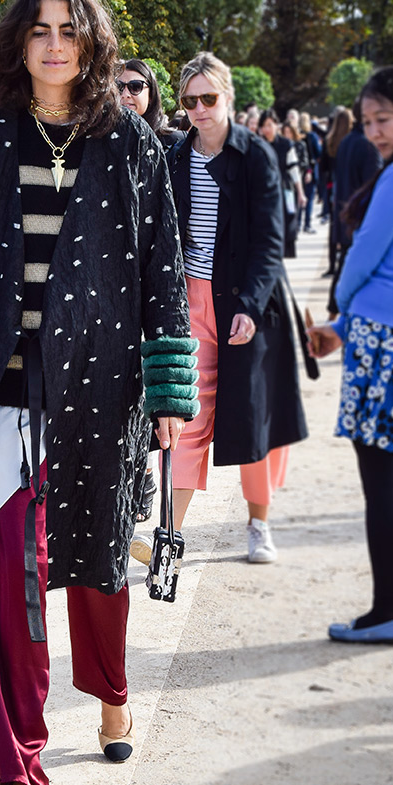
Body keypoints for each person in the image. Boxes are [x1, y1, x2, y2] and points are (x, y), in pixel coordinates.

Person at [0, 0, 198, 785]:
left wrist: (167, 390)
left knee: (99, 561)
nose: (51, 44)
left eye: (67, 30)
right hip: (3, 401)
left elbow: (163, 270)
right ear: (18, 41)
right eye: (37, 29)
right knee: (17, 587)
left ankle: (111, 695)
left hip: (100, 391)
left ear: (91, 41)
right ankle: (24, 774)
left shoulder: (131, 145)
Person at [131, 52, 307, 568]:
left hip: (247, 303)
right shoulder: (176, 157)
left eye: (209, 98)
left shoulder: (255, 156)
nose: (200, 109)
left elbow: (270, 242)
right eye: (190, 101)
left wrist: (251, 304)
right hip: (189, 302)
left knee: (252, 418)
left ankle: (259, 523)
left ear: (227, 96)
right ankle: (167, 534)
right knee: (183, 412)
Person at [307, 65, 393, 644]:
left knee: (381, 478)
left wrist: (340, 315)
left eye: (386, 118)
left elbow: (362, 260)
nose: (375, 130)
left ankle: (384, 613)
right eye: (369, 119)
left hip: (380, 334)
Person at [117, 56, 186, 522]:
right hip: (117, 291)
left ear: (151, 93)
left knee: (153, 389)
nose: (126, 93)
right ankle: (136, 471)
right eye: (118, 85)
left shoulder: (170, 147)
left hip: (161, 284)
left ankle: (141, 471)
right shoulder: (98, 143)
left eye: (136, 86)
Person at [327, 98, 382, 316]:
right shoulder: (368, 145)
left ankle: (333, 313)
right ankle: (336, 315)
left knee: (344, 268)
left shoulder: (348, 141)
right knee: (351, 272)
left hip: (345, 215)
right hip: (360, 220)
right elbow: (373, 187)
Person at [258, 108, 305, 258]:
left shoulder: (286, 144)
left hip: (286, 188)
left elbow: (294, 171)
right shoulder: (258, 144)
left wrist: (301, 193)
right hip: (263, 189)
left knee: (288, 219)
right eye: (264, 125)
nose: (267, 129)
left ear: (277, 125)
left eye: (270, 125)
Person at [319, 105, 353, 274]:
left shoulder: (330, 141)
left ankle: (332, 265)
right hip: (348, 186)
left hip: (333, 186)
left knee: (334, 227)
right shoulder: (352, 142)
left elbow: (323, 167)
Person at [281, 119, 311, 234]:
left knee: (294, 208)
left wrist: (297, 166)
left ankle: (296, 226)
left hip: (297, 179)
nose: (287, 135)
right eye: (285, 132)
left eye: (289, 132)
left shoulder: (300, 144)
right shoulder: (281, 145)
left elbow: (305, 160)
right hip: (286, 183)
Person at [299, 111, 322, 233]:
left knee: (299, 198)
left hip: (299, 170)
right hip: (310, 169)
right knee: (309, 198)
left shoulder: (297, 135)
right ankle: (307, 223)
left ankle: (297, 224)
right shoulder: (312, 136)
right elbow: (318, 153)